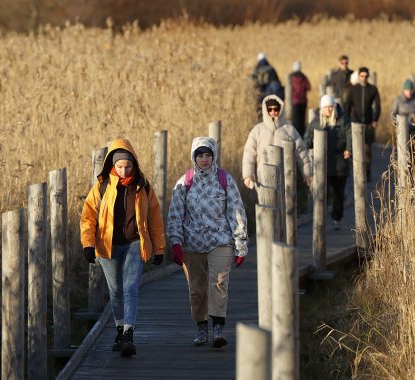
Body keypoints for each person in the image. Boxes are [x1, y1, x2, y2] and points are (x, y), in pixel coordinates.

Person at [80, 138, 165, 358]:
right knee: (116, 290)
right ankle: (119, 328)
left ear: (134, 164)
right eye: (119, 166)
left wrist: (159, 249)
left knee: (130, 288)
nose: (124, 170)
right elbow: (88, 217)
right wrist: (88, 244)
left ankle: (129, 333)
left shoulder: (143, 186)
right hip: (107, 246)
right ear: (112, 165)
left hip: (134, 244)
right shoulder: (102, 186)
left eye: (128, 166)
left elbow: (154, 218)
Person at [167, 137, 248, 348]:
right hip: (192, 244)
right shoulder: (184, 182)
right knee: (197, 289)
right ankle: (202, 327)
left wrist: (240, 244)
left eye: (208, 155)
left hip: (220, 240)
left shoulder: (224, 180)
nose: (204, 159)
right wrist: (175, 243)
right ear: (194, 157)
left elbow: (236, 212)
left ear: (214, 156)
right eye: (200, 155)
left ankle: (218, 328)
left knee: (219, 282)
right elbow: (175, 214)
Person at [242, 94, 313, 191]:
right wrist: (248, 175)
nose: (273, 112)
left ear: (281, 110)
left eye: (276, 109)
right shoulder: (257, 130)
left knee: (287, 205)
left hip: (286, 180)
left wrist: (307, 174)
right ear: (265, 110)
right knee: (266, 205)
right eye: (270, 109)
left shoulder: (289, 130)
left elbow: (302, 153)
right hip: (263, 179)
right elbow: (249, 153)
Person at [304, 95, 352, 230]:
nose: (328, 110)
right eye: (325, 107)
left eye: (330, 107)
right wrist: (308, 144)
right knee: (321, 194)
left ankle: (337, 218)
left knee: (338, 194)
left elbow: (350, 136)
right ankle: (320, 219)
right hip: (321, 164)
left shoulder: (343, 121)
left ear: (334, 107)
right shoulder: (316, 122)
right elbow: (307, 137)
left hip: (339, 164)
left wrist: (349, 149)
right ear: (322, 108)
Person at [345, 67, 381, 181]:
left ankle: (367, 170)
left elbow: (377, 105)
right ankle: (357, 170)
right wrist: (347, 121)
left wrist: (375, 119)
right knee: (356, 148)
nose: (364, 78)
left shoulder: (373, 89)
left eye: (366, 76)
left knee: (367, 149)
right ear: (359, 76)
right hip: (355, 122)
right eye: (362, 76)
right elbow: (347, 106)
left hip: (368, 123)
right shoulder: (353, 89)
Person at [252, 52, 285, 120]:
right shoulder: (271, 68)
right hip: (275, 89)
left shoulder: (256, 69)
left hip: (264, 92)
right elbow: (277, 80)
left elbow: (254, 82)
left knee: (265, 110)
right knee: (275, 110)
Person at [289, 60, 312, 137]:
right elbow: (309, 87)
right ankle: (302, 136)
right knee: (302, 120)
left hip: (295, 101)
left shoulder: (291, 77)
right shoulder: (304, 76)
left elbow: (289, 89)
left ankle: (295, 135)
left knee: (295, 120)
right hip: (303, 101)